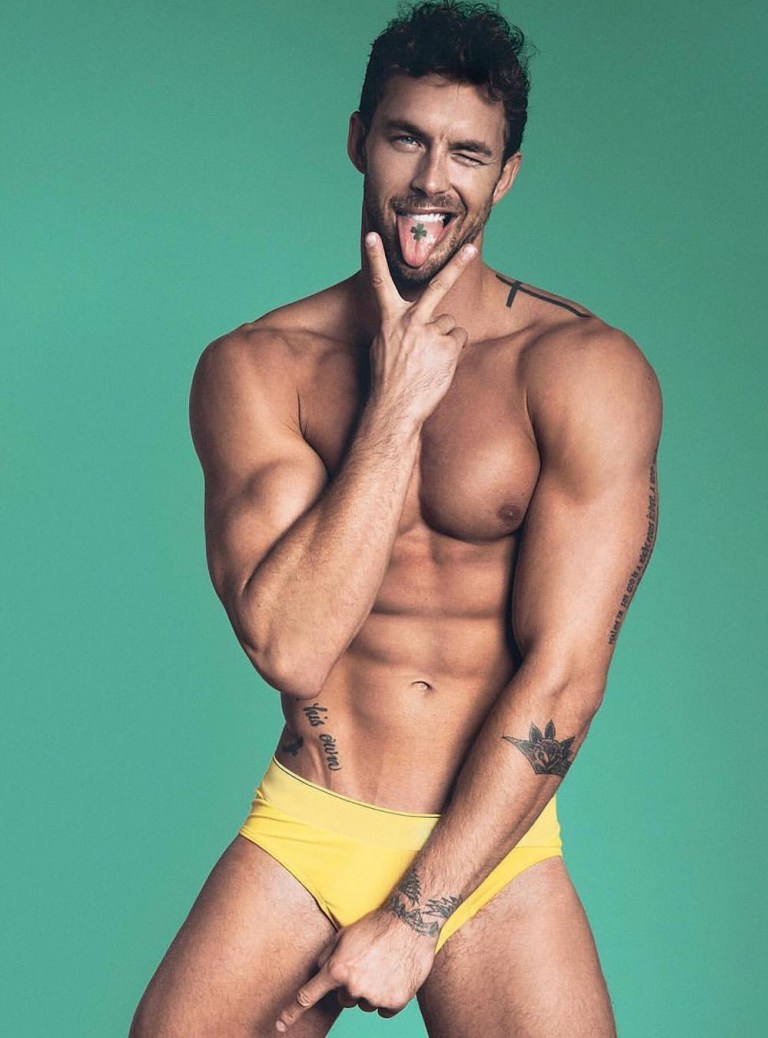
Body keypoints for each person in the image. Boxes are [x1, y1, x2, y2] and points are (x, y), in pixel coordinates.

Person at [131, 2, 661, 1035]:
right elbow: (292, 647)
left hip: (493, 842)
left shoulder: (582, 371)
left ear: (505, 177)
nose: (431, 180)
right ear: (357, 140)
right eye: (406, 138)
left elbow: (565, 675)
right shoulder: (259, 369)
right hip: (312, 827)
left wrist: (417, 917)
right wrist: (395, 407)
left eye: (468, 153)